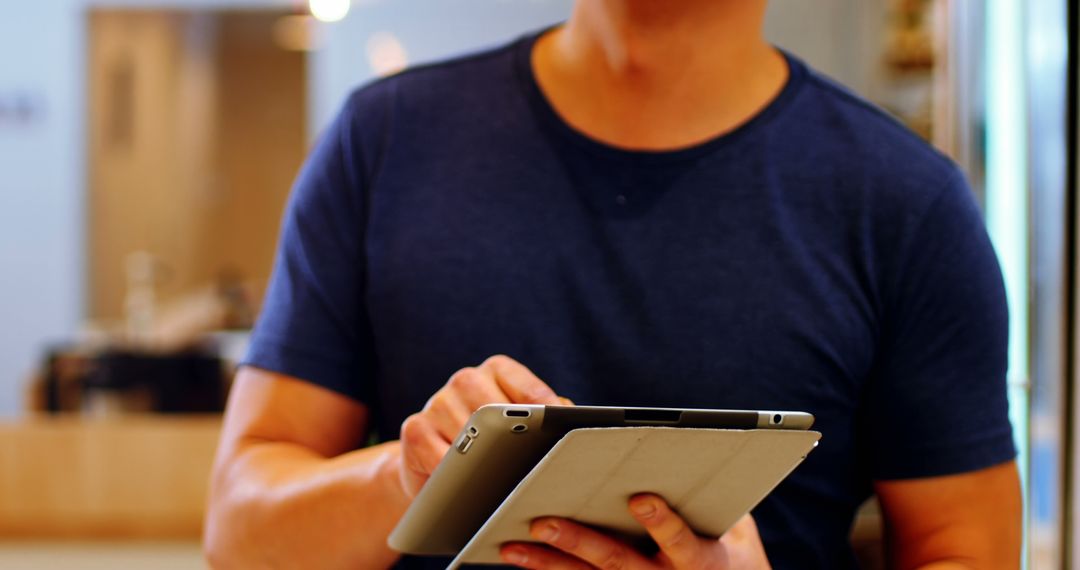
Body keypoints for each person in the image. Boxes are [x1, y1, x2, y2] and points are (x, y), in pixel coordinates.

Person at [203, 1, 1022, 568]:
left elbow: (968, 550)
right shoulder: (382, 145)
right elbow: (243, 536)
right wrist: (410, 475)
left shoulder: (904, 204)